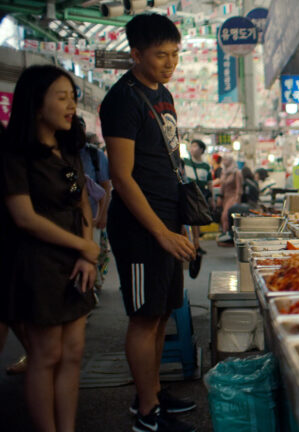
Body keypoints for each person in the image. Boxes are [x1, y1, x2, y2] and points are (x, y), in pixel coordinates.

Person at [99, 13, 196, 432]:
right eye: (160, 55)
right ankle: (145, 414)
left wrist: (183, 224)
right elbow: (121, 177)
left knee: (160, 314)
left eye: (175, 54)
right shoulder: (122, 100)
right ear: (135, 54)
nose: (170, 63)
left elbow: (169, 164)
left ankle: (152, 393)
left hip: (168, 221)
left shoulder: (163, 95)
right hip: (141, 228)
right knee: (143, 316)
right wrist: (159, 231)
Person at [1, 65, 98, 432]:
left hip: (75, 260)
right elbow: (24, 217)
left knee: (72, 354)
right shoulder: (15, 154)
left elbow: (83, 204)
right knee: (46, 355)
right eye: (62, 97)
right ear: (35, 104)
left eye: (73, 97)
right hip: (37, 262)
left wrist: (86, 250)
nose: (71, 104)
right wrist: (83, 247)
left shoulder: (69, 147)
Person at [80, 131, 111, 293]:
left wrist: (101, 215)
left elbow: (103, 191)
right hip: (77, 221)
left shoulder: (94, 156)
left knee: (92, 254)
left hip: (90, 219)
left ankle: (91, 288)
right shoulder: (59, 157)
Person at [183, 139, 211, 254]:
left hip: (201, 195)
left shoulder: (206, 166)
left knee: (198, 220)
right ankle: (194, 244)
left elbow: (209, 182)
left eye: (195, 146)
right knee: (193, 220)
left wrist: (212, 197)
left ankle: (196, 244)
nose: (192, 148)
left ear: (201, 150)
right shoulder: (185, 162)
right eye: (191, 146)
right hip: (189, 194)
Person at [216, 154, 242, 244]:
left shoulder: (236, 172)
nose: (224, 161)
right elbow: (222, 186)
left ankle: (229, 234)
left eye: (227, 159)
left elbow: (239, 189)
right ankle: (226, 233)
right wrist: (220, 197)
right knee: (223, 216)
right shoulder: (223, 171)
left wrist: (236, 200)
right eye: (224, 159)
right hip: (225, 198)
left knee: (225, 215)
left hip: (233, 197)